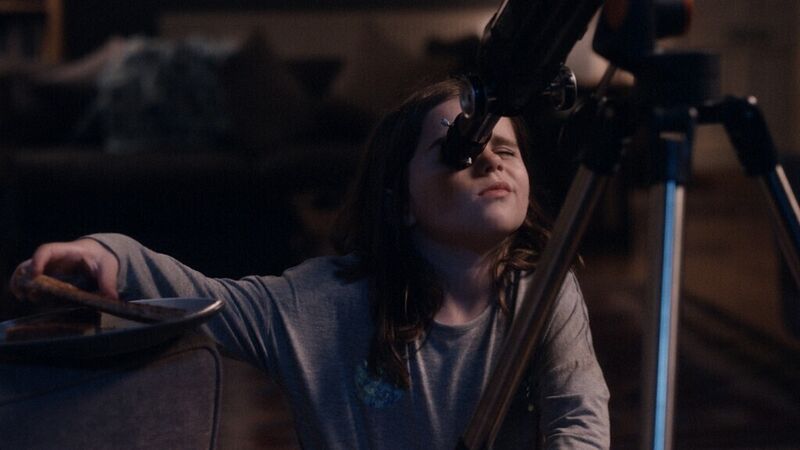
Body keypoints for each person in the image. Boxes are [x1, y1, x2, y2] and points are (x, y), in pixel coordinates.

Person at [11, 79, 610, 448]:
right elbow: (210, 299)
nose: (491, 161)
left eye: (506, 149)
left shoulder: (546, 292)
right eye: (460, 150)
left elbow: (578, 418)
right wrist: (106, 252)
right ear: (399, 200)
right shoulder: (323, 303)